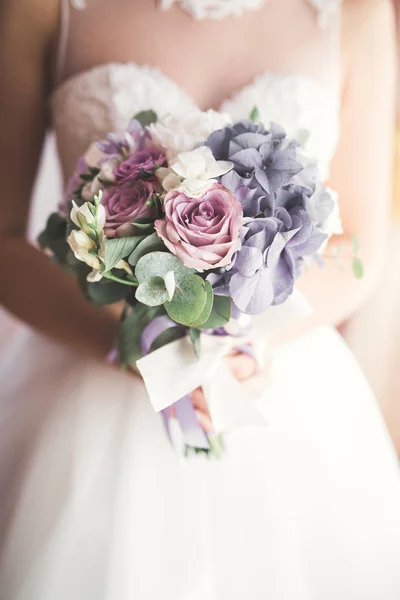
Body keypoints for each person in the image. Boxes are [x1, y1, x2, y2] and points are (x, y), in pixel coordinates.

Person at [0, 1, 399, 598]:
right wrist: (141, 346)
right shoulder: (40, 8)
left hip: (282, 392)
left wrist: (237, 345)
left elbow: (362, 242)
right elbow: (3, 243)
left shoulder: (357, 12)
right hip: (87, 389)